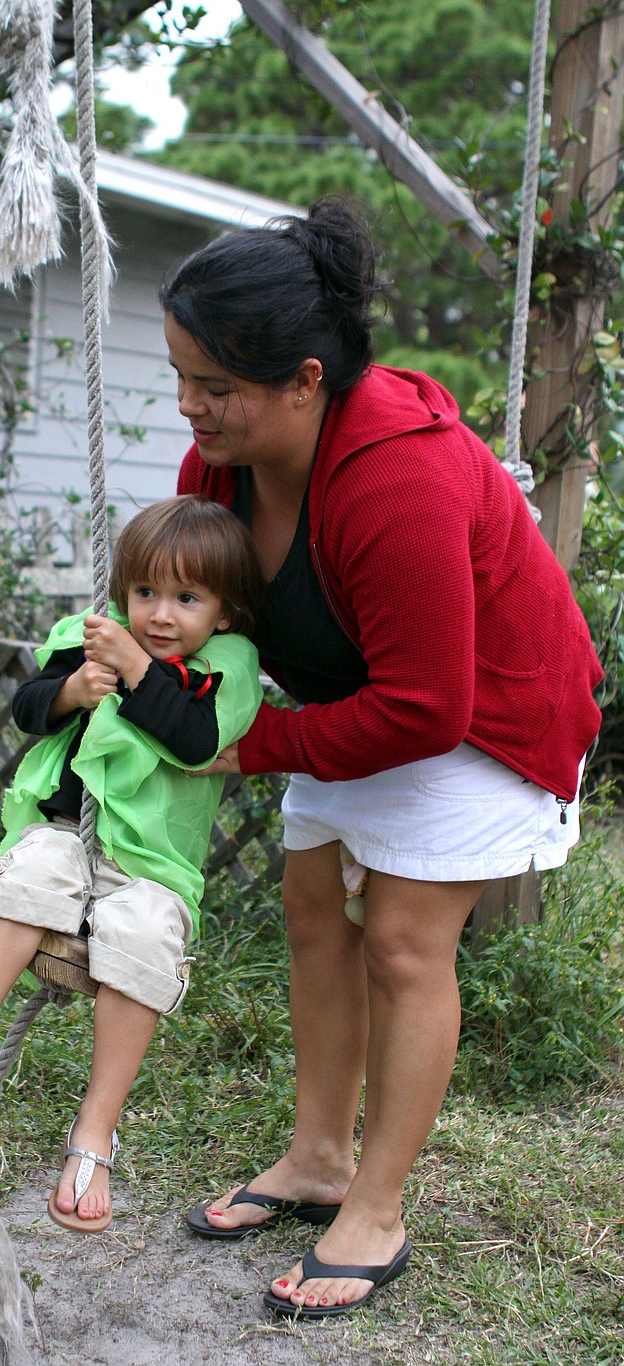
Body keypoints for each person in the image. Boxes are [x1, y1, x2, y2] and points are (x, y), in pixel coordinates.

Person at [160, 198, 603, 1318]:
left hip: (483, 711)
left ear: (304, 379)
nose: (190, 405)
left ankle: (378, 1208)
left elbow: (426, 705)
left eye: (216, 385)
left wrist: (254, 748)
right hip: (371, 692)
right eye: (182, 376)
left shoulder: (398, 476)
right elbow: (202, 604)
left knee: (404, 938)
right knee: (314, 901)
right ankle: (316, 1158)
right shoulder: (221, 464)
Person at [0, 495, 263, 1233]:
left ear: (226, 614)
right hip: (65, 830)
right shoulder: (97, 636)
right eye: (145, 593)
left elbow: (195, 737)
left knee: (145, 934)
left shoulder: (226, 668)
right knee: (34, 872)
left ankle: (94, 1129)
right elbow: (27, 702)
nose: (160, 615)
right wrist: (72, 690)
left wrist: (138, 667)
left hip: (151, 863)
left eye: (187, 598)